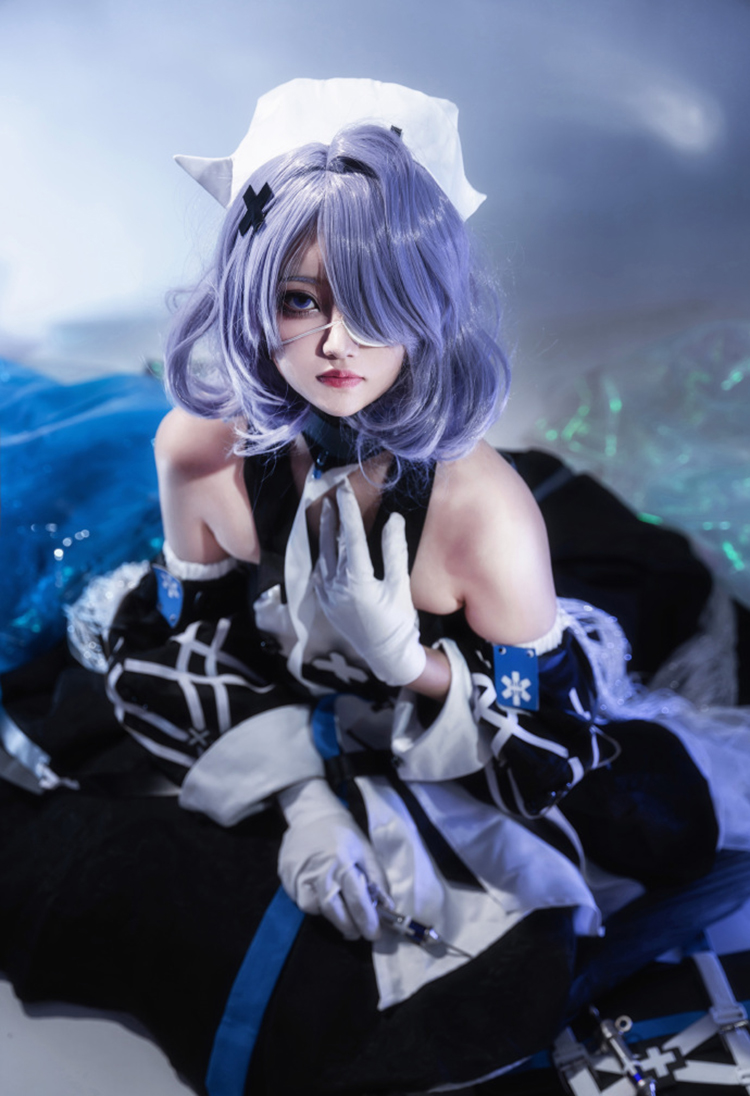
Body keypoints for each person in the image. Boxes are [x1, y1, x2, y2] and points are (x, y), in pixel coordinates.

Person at [1, 78, 750, 1096]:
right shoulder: (197, 448)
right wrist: (303, 797)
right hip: (224, 660)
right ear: (249, 297)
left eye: (378, 298)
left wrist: (413, 665)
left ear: (430, 303)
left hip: (456, 737)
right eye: (300, 299)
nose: (338, 342)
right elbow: (180, 648)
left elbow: (550, 738)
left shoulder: (485, 512)